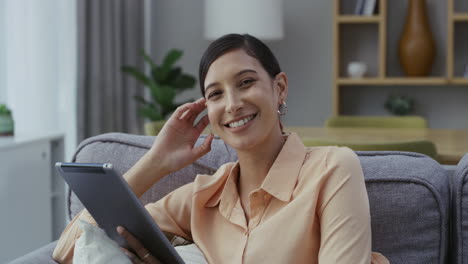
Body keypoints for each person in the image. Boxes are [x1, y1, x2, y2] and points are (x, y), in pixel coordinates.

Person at [53, 34, 388, 263]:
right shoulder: (200, 199)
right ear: (208, 111)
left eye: (246, 83)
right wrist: (156, 162)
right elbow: (70, 248)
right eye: (215, 94)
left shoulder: (333, 169)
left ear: (279, 88)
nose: (233, 104)